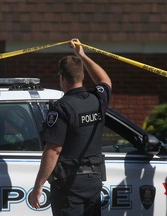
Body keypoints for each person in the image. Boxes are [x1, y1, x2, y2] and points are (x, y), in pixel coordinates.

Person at [29, 38, 112, 216]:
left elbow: (54, 150)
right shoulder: (97, 99)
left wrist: (38, 185)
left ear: (62, 77)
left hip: (70, 184)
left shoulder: (61, 108)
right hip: (94, 180)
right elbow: (105, 80)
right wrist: (82, 55)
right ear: (82, 75)